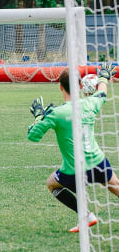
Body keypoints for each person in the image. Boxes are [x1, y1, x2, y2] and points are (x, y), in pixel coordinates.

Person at [27, 65, 119, 233]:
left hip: (73, 171)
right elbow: (102, 93)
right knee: (115, 186)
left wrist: (39, 117)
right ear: (81, 85)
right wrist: (103, 78)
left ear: (60, 86)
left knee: (52, 184)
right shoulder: (91, 103)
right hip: (98, 163)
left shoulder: (55, 113)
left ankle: (86, 215)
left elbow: (33, 136)